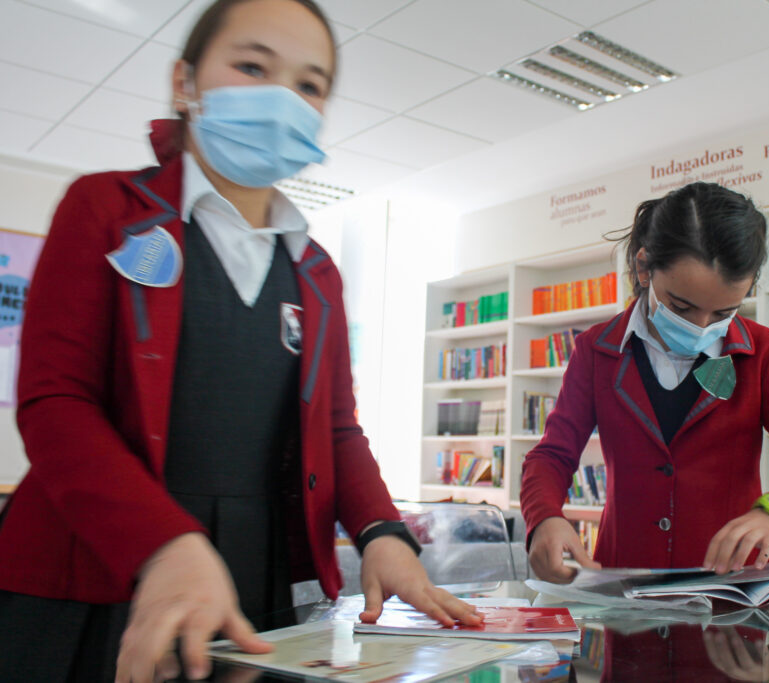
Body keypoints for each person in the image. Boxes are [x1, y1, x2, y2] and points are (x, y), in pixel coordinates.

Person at [0, 1, 479, 681]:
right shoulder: (104, 209)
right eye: (252, 66)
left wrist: (382, 532)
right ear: (184, 83)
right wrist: (163, 543)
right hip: (96, 571)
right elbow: (55, 401)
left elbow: (338, 428)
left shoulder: (316, 270)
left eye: (309, 85)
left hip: (257, 576)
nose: (281, 96)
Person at [520, 182, 769, 583]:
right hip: (624, 584)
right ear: (643, 267)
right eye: (681, 306)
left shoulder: (764, 353)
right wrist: (545, 517)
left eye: (724, 311)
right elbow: (552, 455)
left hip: (731, 591)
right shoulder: (596, 350)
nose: (702, 327)